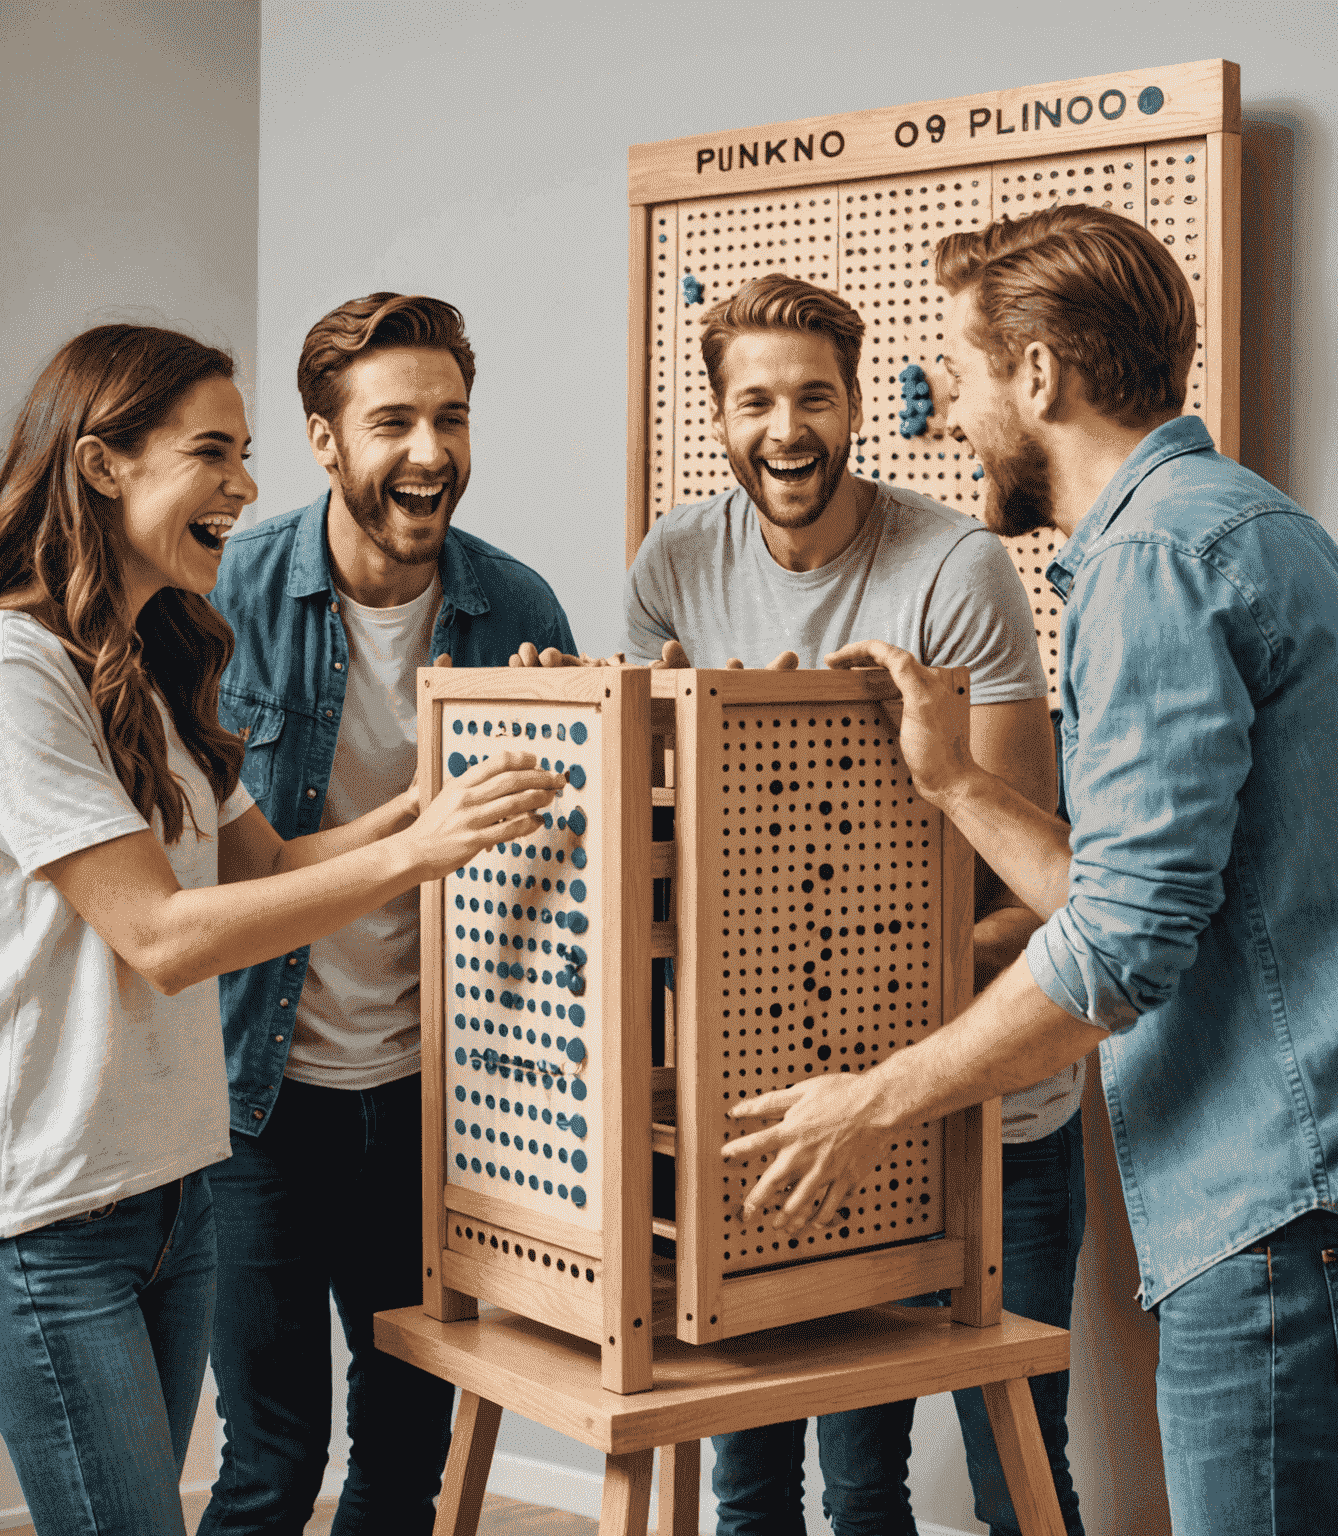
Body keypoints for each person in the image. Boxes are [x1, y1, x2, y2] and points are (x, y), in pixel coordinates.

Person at [727, 205, 1338, 1533]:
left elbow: (1120, 955)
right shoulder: (1241, 523)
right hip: (1313, 1197)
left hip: (1272, 1202)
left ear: (1038, 375)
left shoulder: (1153, 559)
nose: (952, 415)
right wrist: (957, 783)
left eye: (964, 377)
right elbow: (1140, 894)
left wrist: (874, 1100)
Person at [0, 324, 562, 1536]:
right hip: (44, 1218)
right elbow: (169, 935)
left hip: (169, 1192)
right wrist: (420, 849)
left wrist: (433, 805)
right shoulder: (3, 669)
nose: (245, 487)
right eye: (213, 453)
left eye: (244, 455)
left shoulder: (149, 658)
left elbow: (277, 864)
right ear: (100, 466)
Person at [524, 272, 1086, 1536]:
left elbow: (1025, 883)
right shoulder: (675, 561)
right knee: (762, 1477)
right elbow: (660, 849)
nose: (788, 431)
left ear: (855, 406)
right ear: (718, 414)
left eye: (816, 399)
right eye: (758, 401)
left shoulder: (956, 568)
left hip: (985, 1100)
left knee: (1017, 1476)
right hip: (779, 1098)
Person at [197, 293, 577, 1534]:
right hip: (255, 1095)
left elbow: (569, 872)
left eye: (451, 419)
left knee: (408, 1453)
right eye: (395, 421)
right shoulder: (222, 596)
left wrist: (571, 733)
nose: (430, 452)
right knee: (270, 1462)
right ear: (323, 439)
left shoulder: (518, 611)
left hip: (438, 1098)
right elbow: (219, 875)